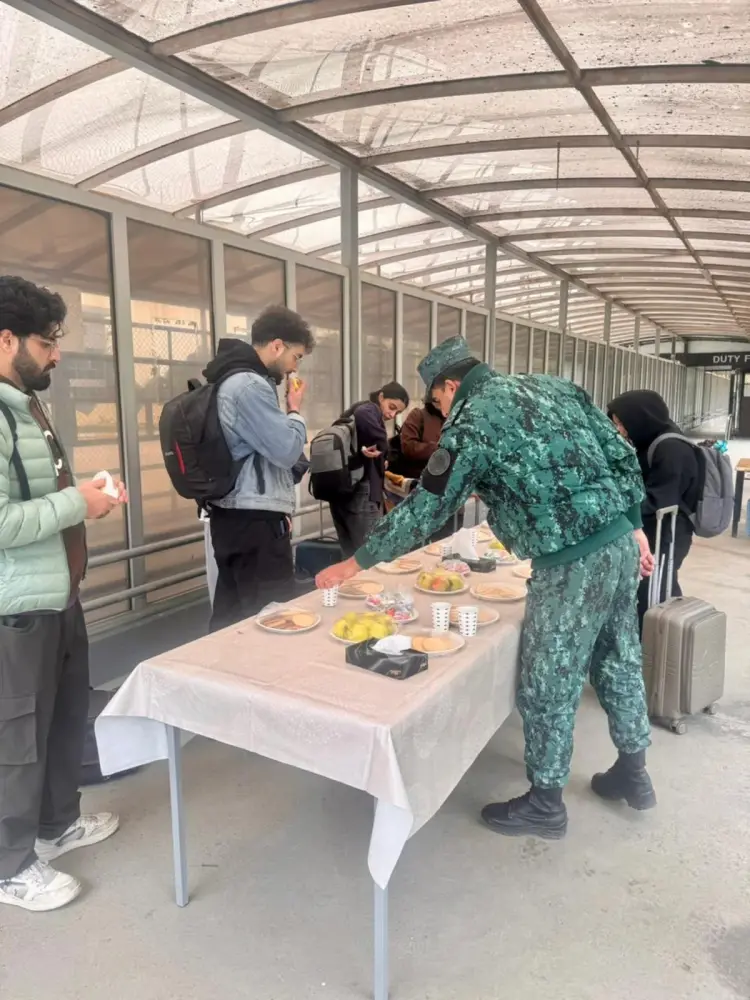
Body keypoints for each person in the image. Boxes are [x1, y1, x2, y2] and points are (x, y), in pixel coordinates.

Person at [317, 336, 656, 839]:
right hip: (618, 546)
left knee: (549, 678)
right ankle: (634, 772)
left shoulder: (474, 420)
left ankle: (545, 803)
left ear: (451, 385)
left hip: (570, 562)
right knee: (619, 654)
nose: (442, 412)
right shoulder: (555, 387)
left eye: (438, 401)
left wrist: (358, 561)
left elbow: (430, 503)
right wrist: (632, 522)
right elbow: (621, 455)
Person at [0, 275, 126, 912]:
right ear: (6, 339)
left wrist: (85, 497)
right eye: (48, 342)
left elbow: (35, 499)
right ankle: (9, 867)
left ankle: (56, 826)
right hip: (15, 610)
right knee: (16, 740)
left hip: (57, 596)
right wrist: (80, 500)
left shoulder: (23, 404)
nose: (56, 355)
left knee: (63, 717)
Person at [206, 306, 314, 632]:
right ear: (277, 346)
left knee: (232, 614)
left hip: (236, 516)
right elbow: (286, 450)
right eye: (296, 356)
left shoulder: (230, 378)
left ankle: (221, 677)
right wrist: (294, 411)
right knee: (270, 617)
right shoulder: (249, 386)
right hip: (254, 522)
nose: (295, 366)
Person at [608, 390, 699, 632]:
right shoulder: (651, 437)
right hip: (653, 527)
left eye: (621, 423)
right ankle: (659, 641)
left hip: (668, 532)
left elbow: (659, 500)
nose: (619, 429)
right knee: (653, 588)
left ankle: (662, 644)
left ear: (640, 418)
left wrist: (616, 507)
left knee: (656, 590)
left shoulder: (671, 449)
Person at [328, 382, 409, 558]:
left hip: (341, 491)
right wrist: (383, 449)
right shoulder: (368, 410)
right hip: (361, 492)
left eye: (397, 412)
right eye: (391, 407)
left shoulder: (350, 414)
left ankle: (352, 585)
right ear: (381, 396)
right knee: (371, 555)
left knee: (350, 554)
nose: (391, 414)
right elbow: (378, 440)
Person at [398, 396, 462, 542]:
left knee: (449, 539)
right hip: (423, 489)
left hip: (451, 490)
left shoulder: (458, 418)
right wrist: (438, 448)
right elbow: (408, 447)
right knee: (419, 540)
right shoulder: (418, 416)